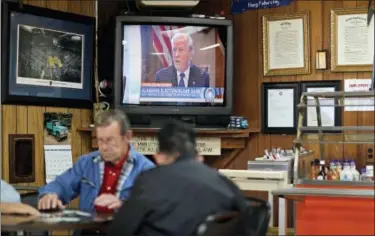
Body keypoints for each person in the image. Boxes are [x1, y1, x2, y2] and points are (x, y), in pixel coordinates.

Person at [107, 120, 251, 236]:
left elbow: (119, 231)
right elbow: (250, 223)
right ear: (198, 156)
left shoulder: (148, 181)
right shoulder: (222, 182)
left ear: (159, 157)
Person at [37, 109, 155, 213]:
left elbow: (153, 210)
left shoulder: (147, 170)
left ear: (127, 137)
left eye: (110, 140)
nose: (103, 147)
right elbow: (62, 184)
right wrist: (49, 195)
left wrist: (123, 207)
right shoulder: (86, 163)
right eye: (100, 140)